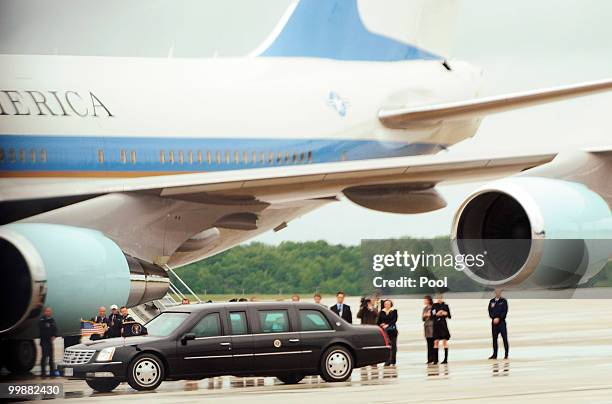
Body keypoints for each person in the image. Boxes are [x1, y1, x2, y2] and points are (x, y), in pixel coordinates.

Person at [488, 288, 509, 359]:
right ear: (495, 292)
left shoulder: (504, 301)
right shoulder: (491, 301)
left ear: (501, 292)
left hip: (502, 323)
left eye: (499, 292)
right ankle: (495, 354)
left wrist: (499, 318)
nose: (498, 293)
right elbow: (490, 311)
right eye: (496, 292)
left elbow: (505, 311)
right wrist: (493, 318)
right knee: (494, 339)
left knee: (504, 338)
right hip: (494, 323)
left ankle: (506, 354)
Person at [377, 299, 398, 366]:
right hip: (384, 332)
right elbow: (378, 321)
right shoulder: (382, 312)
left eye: (388, 304)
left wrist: (387, 324)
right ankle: (387, 361)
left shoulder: (394, 311)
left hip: (392, 331)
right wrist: (381, 324)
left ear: (391, 304)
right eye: (386, 304)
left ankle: (393, 361)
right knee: (387, 346)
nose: (387, 305)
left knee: (393, 346)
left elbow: (394, 320)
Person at [39, 306, 58, 378]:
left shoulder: (52, 320)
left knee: (51, 358)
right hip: (44, 341)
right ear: (44, 312)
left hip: (50, 341)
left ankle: (52, 373)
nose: (48, 312)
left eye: (49, 311)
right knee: (44, 357)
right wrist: (49, 329)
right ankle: (43, 373)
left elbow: (55, 329)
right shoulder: (42, 320)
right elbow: (44, 330)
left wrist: (54, 335)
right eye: (47, 311)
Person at [432, 295, 451, 364]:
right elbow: (432, 315)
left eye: (440, 298)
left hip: (443, 325)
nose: (439, 299)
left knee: (444, 342)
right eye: (438, 298)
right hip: (436, 325)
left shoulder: (446, 306)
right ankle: (435, 360)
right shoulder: (434, 306)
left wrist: (445, 313)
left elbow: (449, 316)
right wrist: (437, 314)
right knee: (436, 342)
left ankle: (445, 359)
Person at [422, 295, 435, 364]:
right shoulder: (425, 308)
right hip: (426, 327)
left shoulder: (433, 307)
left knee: (433, 343)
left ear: (429, 300)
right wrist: (425, 316)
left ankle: (434, 358)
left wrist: (429, 315)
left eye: (425, 300)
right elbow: (423, 319)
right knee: (428, 343)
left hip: (432, 327)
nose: (424, 301)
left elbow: (434, 316)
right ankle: (429, 359)